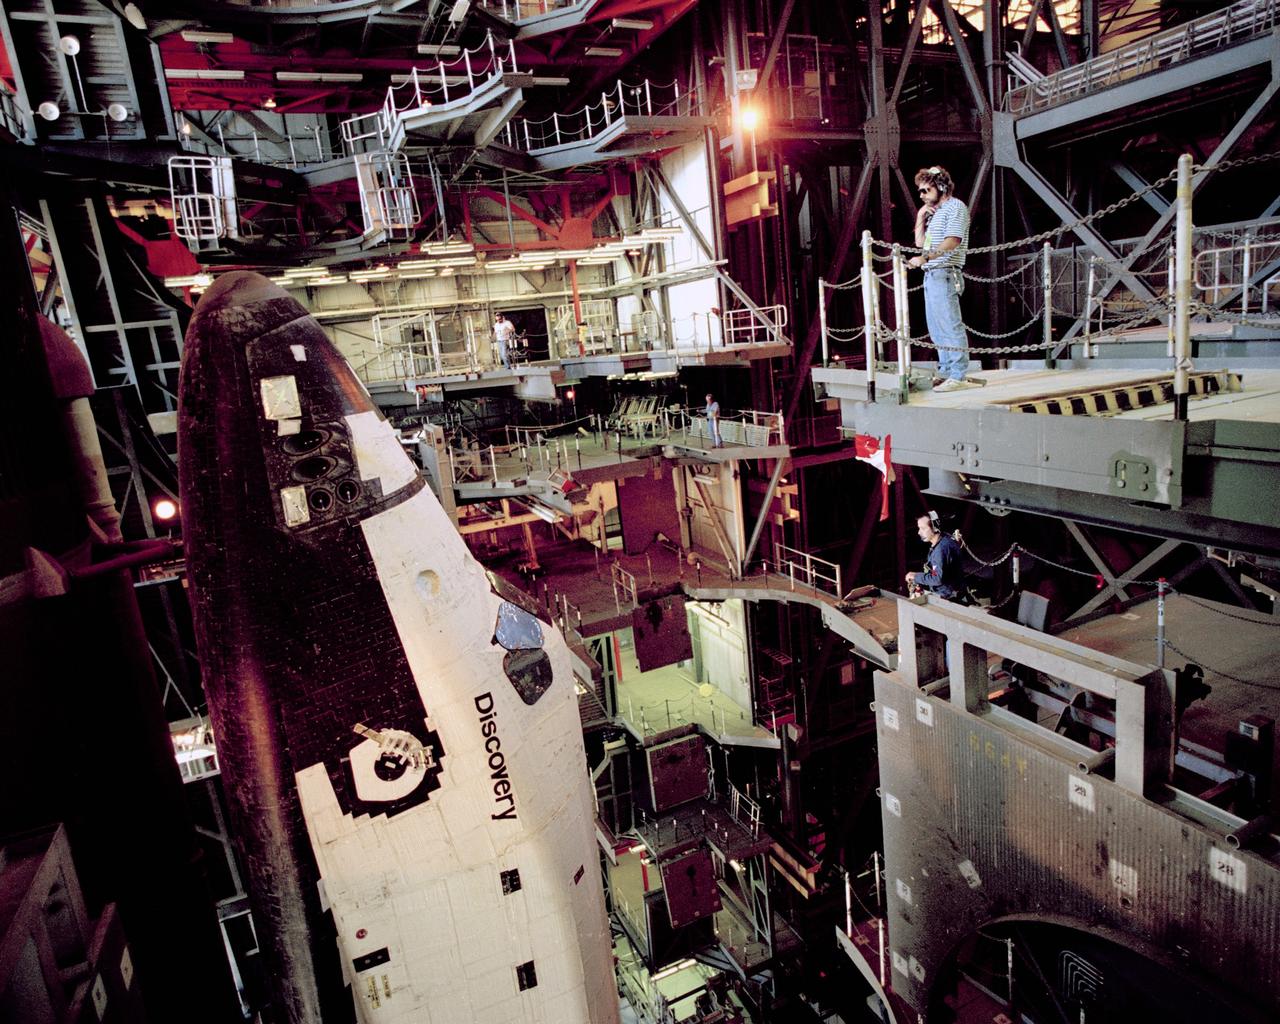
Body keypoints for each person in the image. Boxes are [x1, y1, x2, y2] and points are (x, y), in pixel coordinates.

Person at [907, 165, 977, 392]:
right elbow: (920, 243)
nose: (922, 195)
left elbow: (953, 241)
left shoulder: (955, 207)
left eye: (925, 190)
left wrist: (925, 258)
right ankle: (947, 371)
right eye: (920, 191)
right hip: (933, 275)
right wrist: (920, 215)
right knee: (937, 328)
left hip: (946, 272)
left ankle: (958, 375)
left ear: (942, 187)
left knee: (950, 325)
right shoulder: (936, 214)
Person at [906, 512, 967, 601]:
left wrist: (915, 576)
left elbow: (937, 579)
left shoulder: (941, 550)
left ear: (934, 528)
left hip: (948, 597)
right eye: (919, 528)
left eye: (923, 528)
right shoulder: (945, 538)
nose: (919, 532)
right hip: (953, 591)